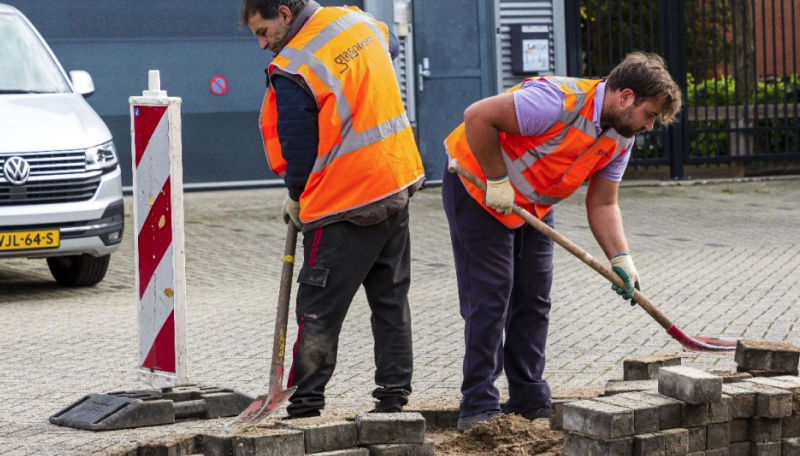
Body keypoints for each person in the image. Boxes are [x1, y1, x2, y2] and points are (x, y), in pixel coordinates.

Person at [441, 52, 682, 431]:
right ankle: (478, 407)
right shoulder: (557, 101)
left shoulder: (621, 137)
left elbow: (603, 202)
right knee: (492, 296)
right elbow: (477, 116)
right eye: (649, 114)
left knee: (534, 298)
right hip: (477, 186)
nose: (650, 126)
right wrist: (496, 179)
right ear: (626, 97)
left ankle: (529, 401)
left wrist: (622, 258)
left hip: (533, 205)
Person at [241, 0, 425, 418]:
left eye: (263, 31)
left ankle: (304, 404)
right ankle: (393, 399)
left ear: (285, 14)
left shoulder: (293, 67)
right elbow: (390, 46)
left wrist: (297, 195)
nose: (262, 43)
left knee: (317, 307)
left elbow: (300, 149)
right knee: (391, 298)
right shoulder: (358, 21)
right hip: (396, 181)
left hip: (345, 200)